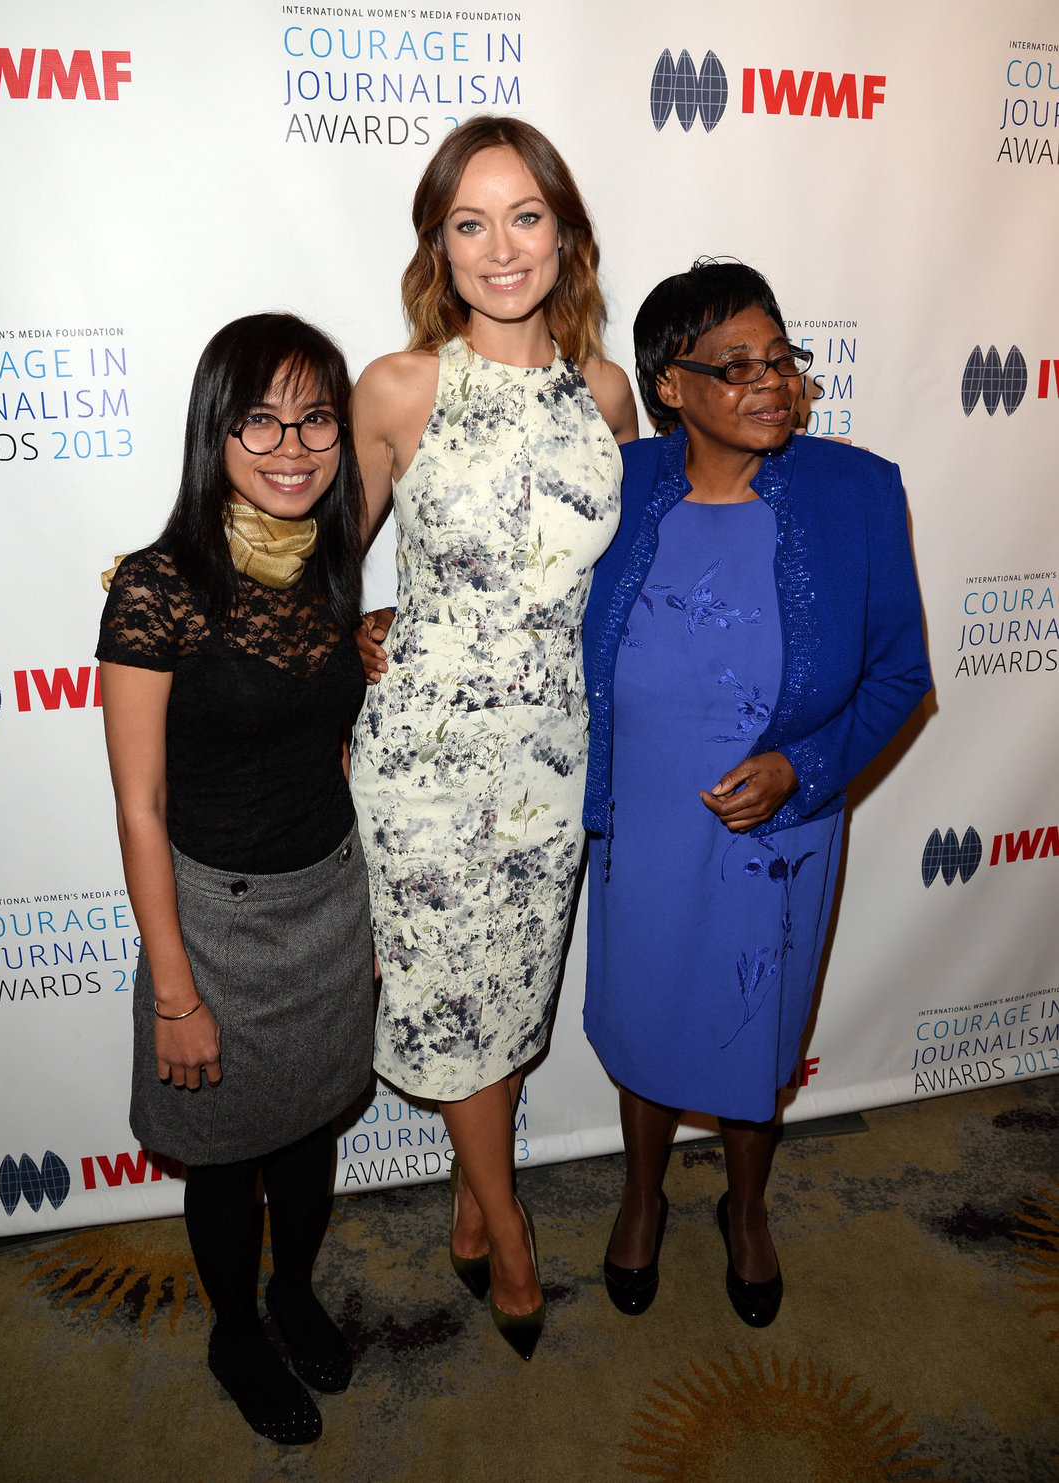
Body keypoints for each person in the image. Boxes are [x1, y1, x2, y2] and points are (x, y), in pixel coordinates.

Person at [582, 260, 930, 1325]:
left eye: (779, 357)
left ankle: (746, 1208)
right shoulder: (620, 481)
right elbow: (510, 596)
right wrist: (396, 630)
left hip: (777, 833)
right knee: (644, 1015)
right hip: (639, 818)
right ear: (670, 386)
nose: (770, 380)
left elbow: (898, 675)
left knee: (754, 1030)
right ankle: (640, 1197)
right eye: (734, 366)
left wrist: (801, 768)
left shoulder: (856, 490)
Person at [351, 114, 637, 1359]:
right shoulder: (398, 387)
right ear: (440, 247)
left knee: (511, 993)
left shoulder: (609, 395)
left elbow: (627, 587)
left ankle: (473, 1195)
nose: (500, 246)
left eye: (524, 216)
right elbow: (316, 569)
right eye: (470, 223)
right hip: (421, 760)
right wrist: (352, 629)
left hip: (551, 752)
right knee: (452, 991)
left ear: (564, 235)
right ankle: (509, 1229)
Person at [97, 314, 374, 1443]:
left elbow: (332, 743)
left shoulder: (335, 566)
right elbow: (139, 806)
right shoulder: (157, 588)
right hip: (212, 920)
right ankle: (232, 1331)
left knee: (310, 1131)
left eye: (314, 416)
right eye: (259, 416)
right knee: (223, 1156)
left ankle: (293, 1290)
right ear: (215, 429)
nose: (291, 441)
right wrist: (175, 991)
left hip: (330, 898)